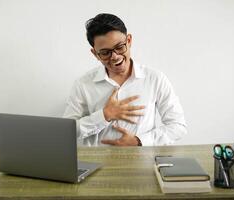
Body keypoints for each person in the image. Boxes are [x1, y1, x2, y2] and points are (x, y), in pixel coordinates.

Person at [63, 13, 187, 146]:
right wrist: (104, 116)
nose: (115, 56)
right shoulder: (83, 84)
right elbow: (66, 131)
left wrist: (139, 141)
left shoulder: (155, 79)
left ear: (129, 41)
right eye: (105, 53)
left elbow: (178, 126)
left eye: (120, 47)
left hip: (142, 162)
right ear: (95, 54)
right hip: (96, 164)